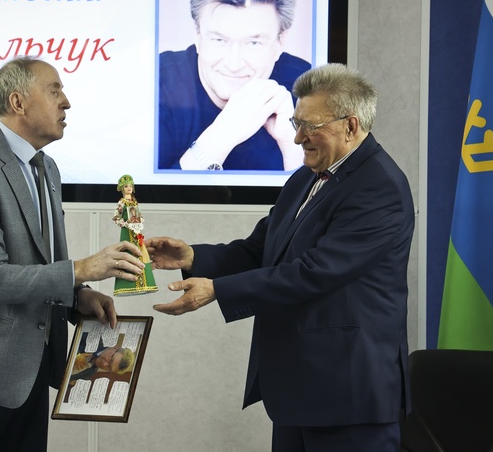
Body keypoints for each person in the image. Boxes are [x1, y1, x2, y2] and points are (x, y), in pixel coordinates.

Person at [146, 63, 415, 452]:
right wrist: (192, 257)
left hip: (348, 396)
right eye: (296, 123)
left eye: (310, 126)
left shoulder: (380, 187)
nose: (298, 137)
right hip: (300, 390)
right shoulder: (306, 176)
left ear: (350, 126)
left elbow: (314, 273)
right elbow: (261, 249)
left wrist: (217, 290)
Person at [0, 55, 145, 452]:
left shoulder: (47, 169)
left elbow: (39, 264)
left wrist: (77, 298)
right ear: (18, 102)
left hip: (30, 374)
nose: (66, 102)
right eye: (54, 90)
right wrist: (81, 269)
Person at [158, 0, 311, 171]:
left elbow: (327, 192)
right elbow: (138, 192)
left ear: (279, 43)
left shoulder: (309, 88)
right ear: (197, 36)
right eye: (219, 40)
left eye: (254, 43)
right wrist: (222, 134)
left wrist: (292, 144)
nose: (234, 64)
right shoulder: (155, 82)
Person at [112, 174, 158, 295]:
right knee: (129, 251)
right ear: (122, 188)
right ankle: (128, 284)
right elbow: (116, 218)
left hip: (137, 232)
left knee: (141, 251)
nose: (129, 188)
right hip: (127, 232)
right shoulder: (121, 203)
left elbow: (139, 215)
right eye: (126, 186)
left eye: (130, 186)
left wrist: (140, 219)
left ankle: (144, 283)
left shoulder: (134, 202)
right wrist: (125, 224)